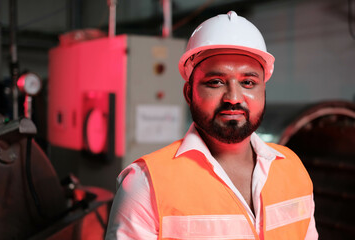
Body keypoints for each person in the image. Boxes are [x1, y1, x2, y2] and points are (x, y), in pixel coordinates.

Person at [105, 11, 318, 240]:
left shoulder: (293, 170)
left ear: (263, 92)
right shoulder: (146, 185)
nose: (234, 97)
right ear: (189, 93)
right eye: (215, 82)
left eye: (248, 82)